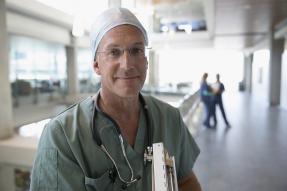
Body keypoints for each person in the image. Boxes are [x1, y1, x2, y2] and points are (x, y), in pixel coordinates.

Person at [30, 8, 201, 191]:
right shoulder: (62, 136)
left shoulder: (169, 119)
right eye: (114, 52)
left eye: (136, 50)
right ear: (96, 65)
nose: (127, 65)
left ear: (146, 61)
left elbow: (185, 182)